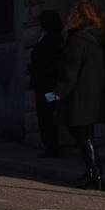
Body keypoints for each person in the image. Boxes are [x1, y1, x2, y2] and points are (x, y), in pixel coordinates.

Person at [49, 0, 105, 190]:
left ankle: (94, 173)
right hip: (94, 92)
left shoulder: (77, 39)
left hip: (78, 94)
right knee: (86, 133)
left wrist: (58, 93)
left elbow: (70, 69)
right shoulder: (99, 37)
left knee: (81, 134)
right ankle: (93, 171)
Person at [28, 10, 65, 158]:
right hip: (46, 85)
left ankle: (51, 145)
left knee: (47, 114)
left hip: (48, 86)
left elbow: (49, 63)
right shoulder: (53, 38)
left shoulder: (51, 40)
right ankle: (50, 145)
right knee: (47, 114)